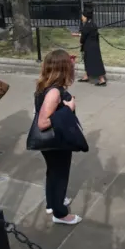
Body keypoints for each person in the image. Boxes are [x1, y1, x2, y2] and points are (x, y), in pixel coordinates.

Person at [35, 49, 82, 225]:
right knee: (60, 174)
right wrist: (68, 108)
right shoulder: (54, 92)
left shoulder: (45, 86)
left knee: (53, 171)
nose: (73, 66)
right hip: (56, 141)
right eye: (70, 64)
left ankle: (52, 202)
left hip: (49, 141)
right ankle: (60, 213)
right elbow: (43, 122)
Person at [72, 10, 106, 86]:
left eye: (83, 16)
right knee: (89, 61)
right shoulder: (93, 24)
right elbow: (89, 35)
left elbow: (84, 36)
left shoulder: (86, 26)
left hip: (89, 46)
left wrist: (80, 41)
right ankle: (86, 76)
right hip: (95, 46)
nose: (82, 17)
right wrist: (78, 35)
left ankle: (101, 79)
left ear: (86, 17)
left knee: (94, 62)